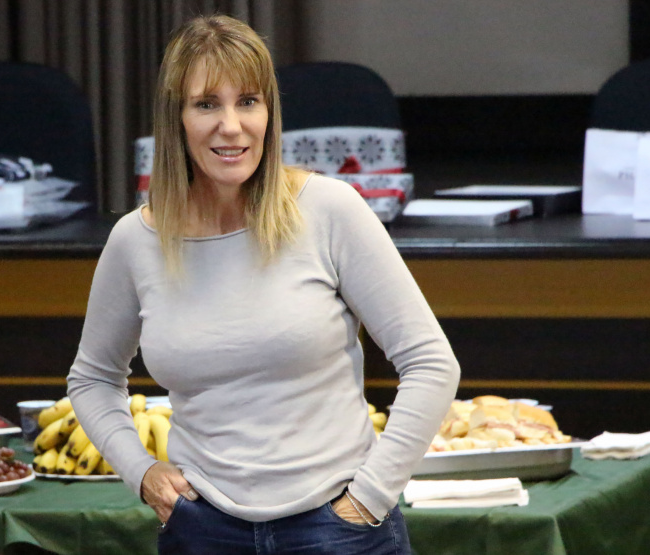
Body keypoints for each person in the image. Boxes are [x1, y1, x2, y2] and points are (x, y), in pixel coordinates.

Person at [67, 14, 460, 555]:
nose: (231, 126)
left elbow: (432, 362)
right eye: (207, 104)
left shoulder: (329, 209)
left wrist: (368, 498)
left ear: (269, 113)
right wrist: (141, 472)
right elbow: (91, 380)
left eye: (248, 101)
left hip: (340, 530)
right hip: (201, 531)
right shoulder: (134, 241)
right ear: (176, 118)